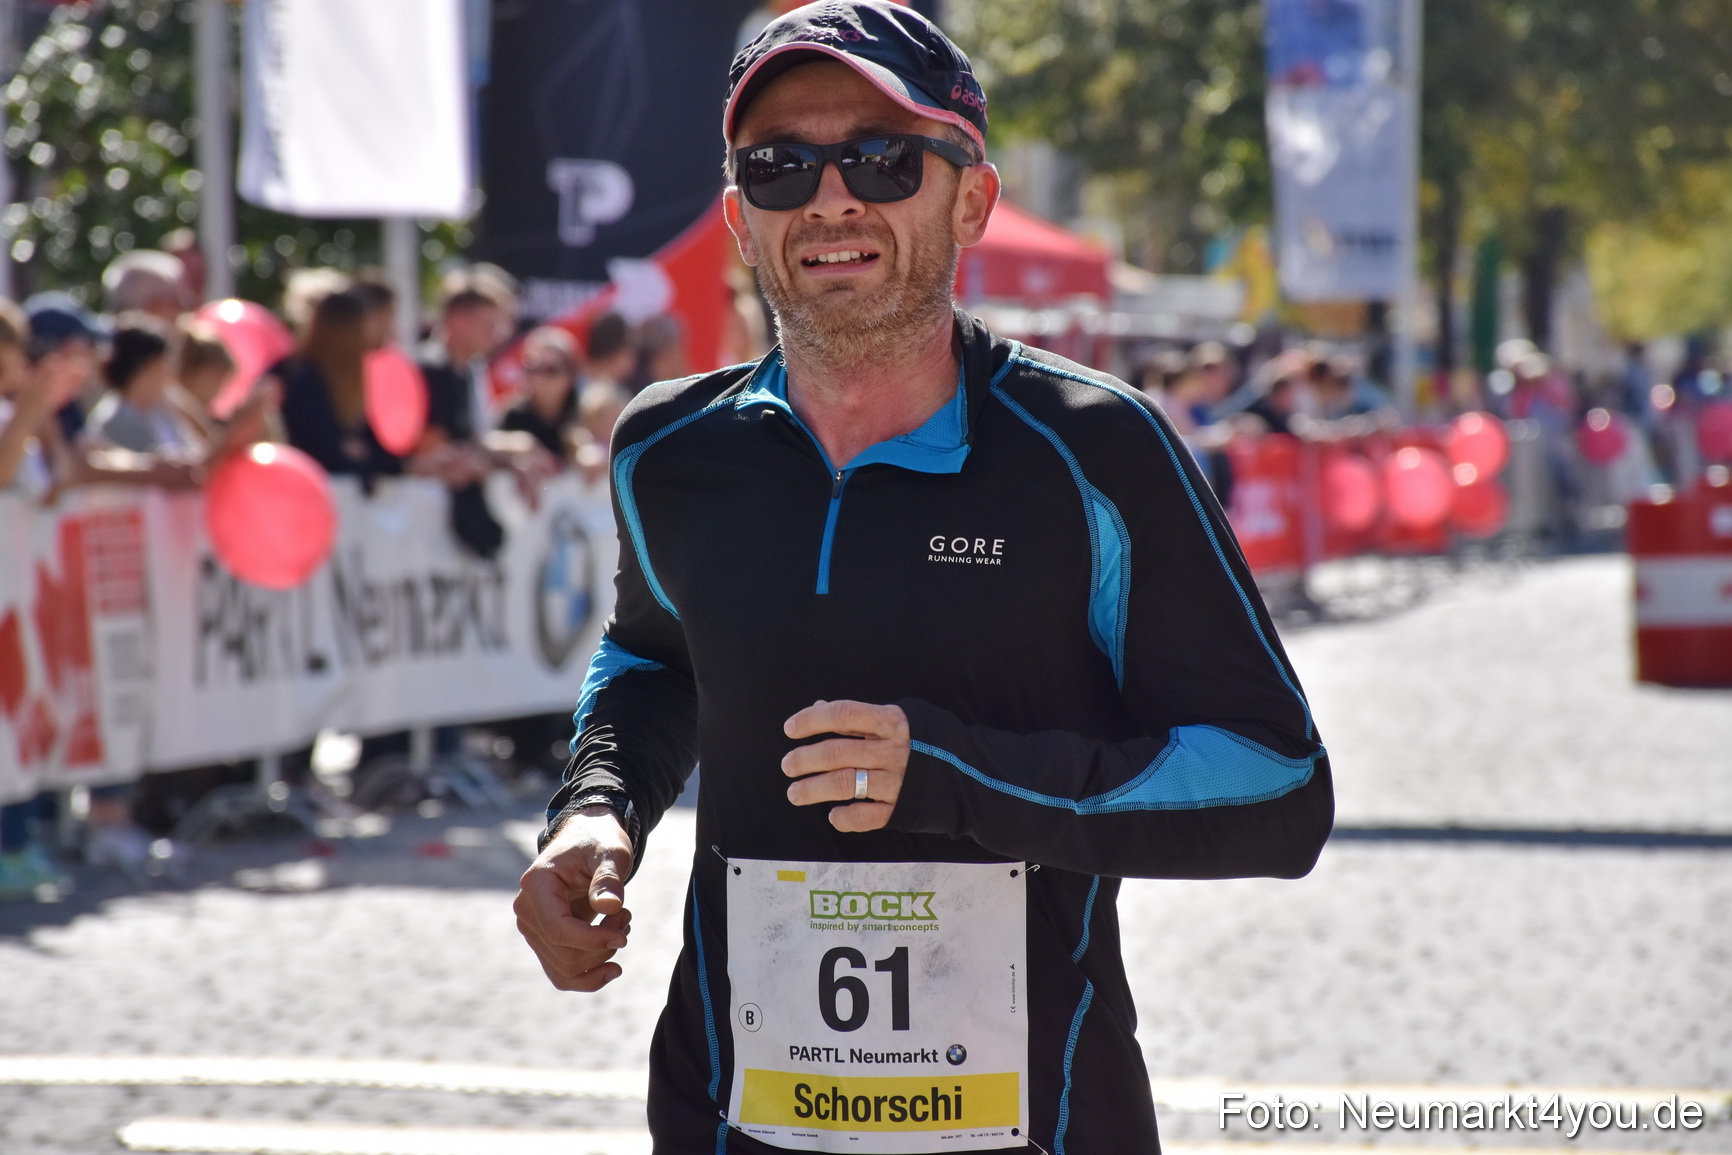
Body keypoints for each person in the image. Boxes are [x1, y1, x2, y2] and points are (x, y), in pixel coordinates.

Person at [514, 6, 1332, 1153]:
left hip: (1033, 1121)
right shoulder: (669, 448)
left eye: (883, 160)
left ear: (971, 201)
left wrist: (956, 776)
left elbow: (1277, 788)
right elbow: (655, 662)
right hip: (732, 1112)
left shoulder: (1092, 448)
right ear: (740, 219)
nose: (831, 200)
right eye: (780, 167)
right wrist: (596, 811)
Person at [499, 326, 584, 461]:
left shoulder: (586, 412)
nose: (539, 378)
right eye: (532, 367)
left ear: (570, 375)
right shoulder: (513, 416)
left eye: (550, 370)